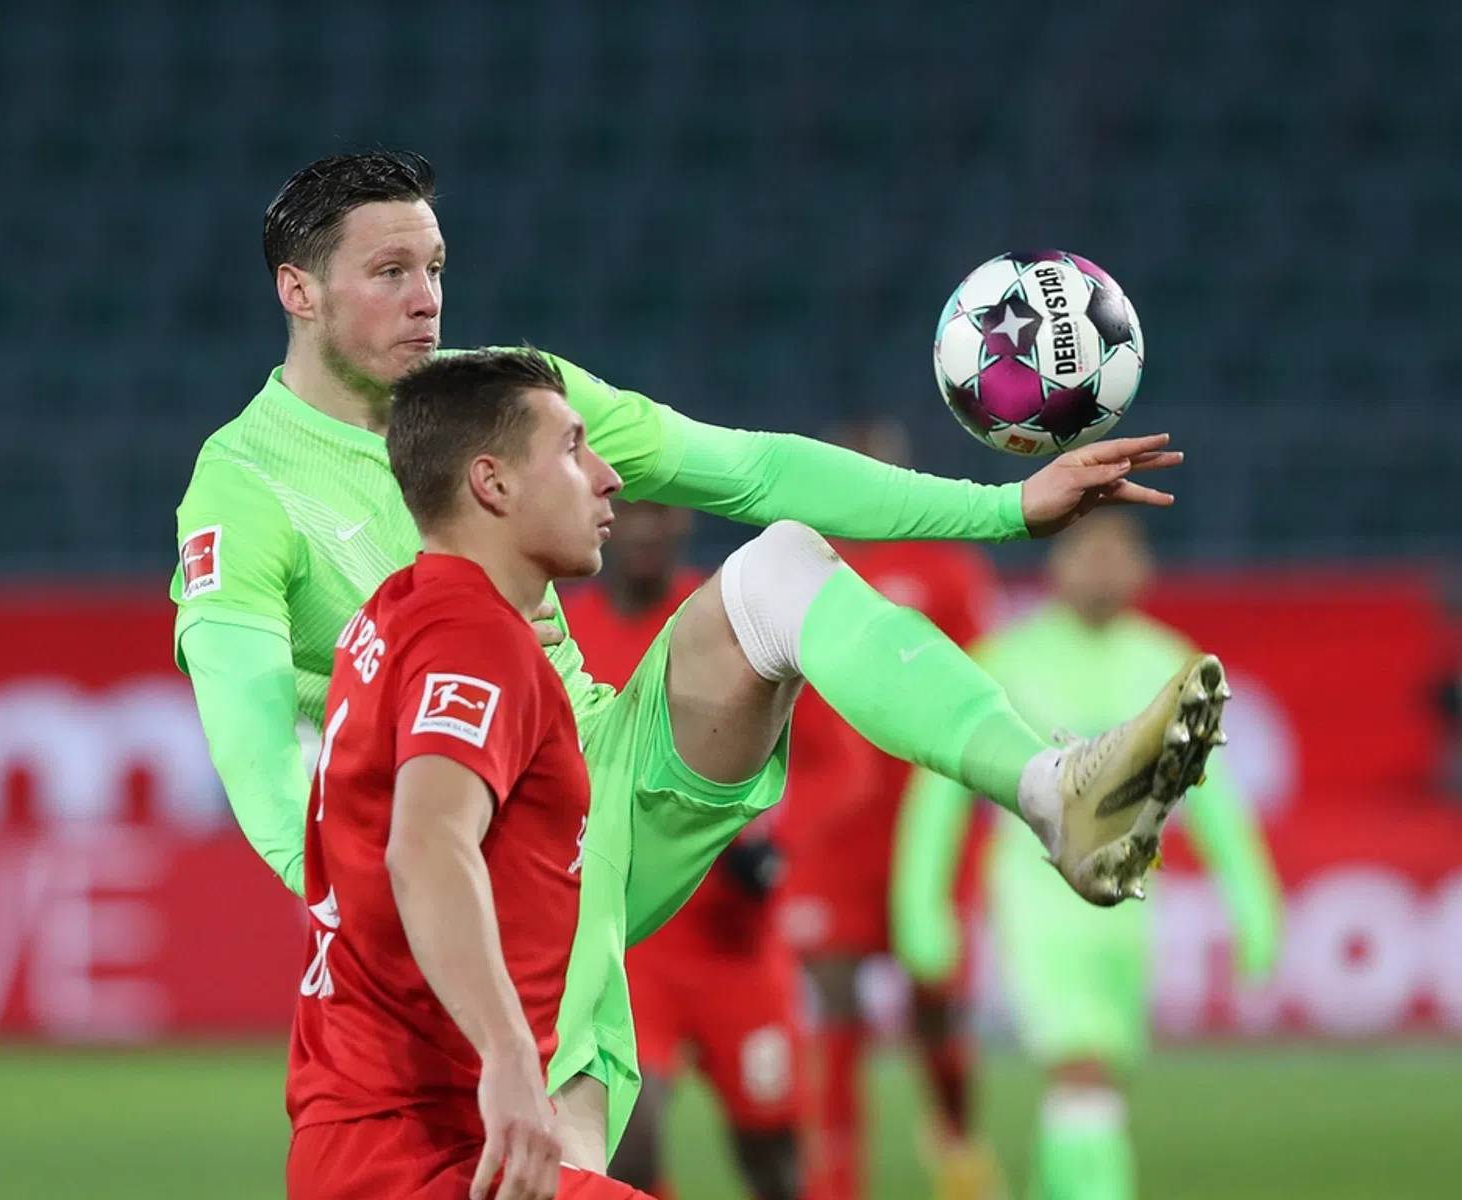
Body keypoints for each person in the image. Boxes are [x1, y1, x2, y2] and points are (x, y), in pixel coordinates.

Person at [172, 148, 1228, 1167]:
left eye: (436, 269)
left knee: (778, 570)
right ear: (298, 292)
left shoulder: (500, 401)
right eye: (389, 273)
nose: (426, 299)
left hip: (607, 777)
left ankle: (1054, 792)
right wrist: (374, 929)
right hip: (478, 868)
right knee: (556, 1165)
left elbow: (750, 469)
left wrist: (1002, 511)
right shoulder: (246, 484)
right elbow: (256, 743)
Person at [286, 348, 654, 1199]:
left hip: (365, 1142)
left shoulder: (400, 608)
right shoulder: (476, 642)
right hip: (424, 1157)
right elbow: (425, 845)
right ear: (492, 484)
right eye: (570, 450)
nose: (606, 479)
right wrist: (512, 1058)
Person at [892, 513, 1282, 1200]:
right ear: (1056, 563)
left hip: (1129, 908)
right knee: (1084, 1072)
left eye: (1117, 553)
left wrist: (1254, 904)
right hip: (1037, 899)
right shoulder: (1005, 659)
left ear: (1144, 569)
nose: (1101, 568)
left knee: (1092, 1084)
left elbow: (1216, 800)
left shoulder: (1170, 664)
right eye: (1086, 552)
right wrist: (921, 905)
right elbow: (941, 787)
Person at [774, 419, 1001, 1200]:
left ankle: (957, 1143)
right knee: (834, 1000)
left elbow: (983, 689)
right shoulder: (798, 565)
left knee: (935, 1004)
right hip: (831, 833)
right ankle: (835, 1180)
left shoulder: (944, 568)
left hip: (925, 828)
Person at [568, 501, 803, 1200]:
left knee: (773, 1161)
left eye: (657, 511)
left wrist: (772, 843)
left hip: (736, 950)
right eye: (627, 511)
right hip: (630, 947)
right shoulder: (561, 631)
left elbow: (822, 760)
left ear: (681, 523)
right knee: (627, 1148)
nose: (640, 527)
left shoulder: (728, 625)